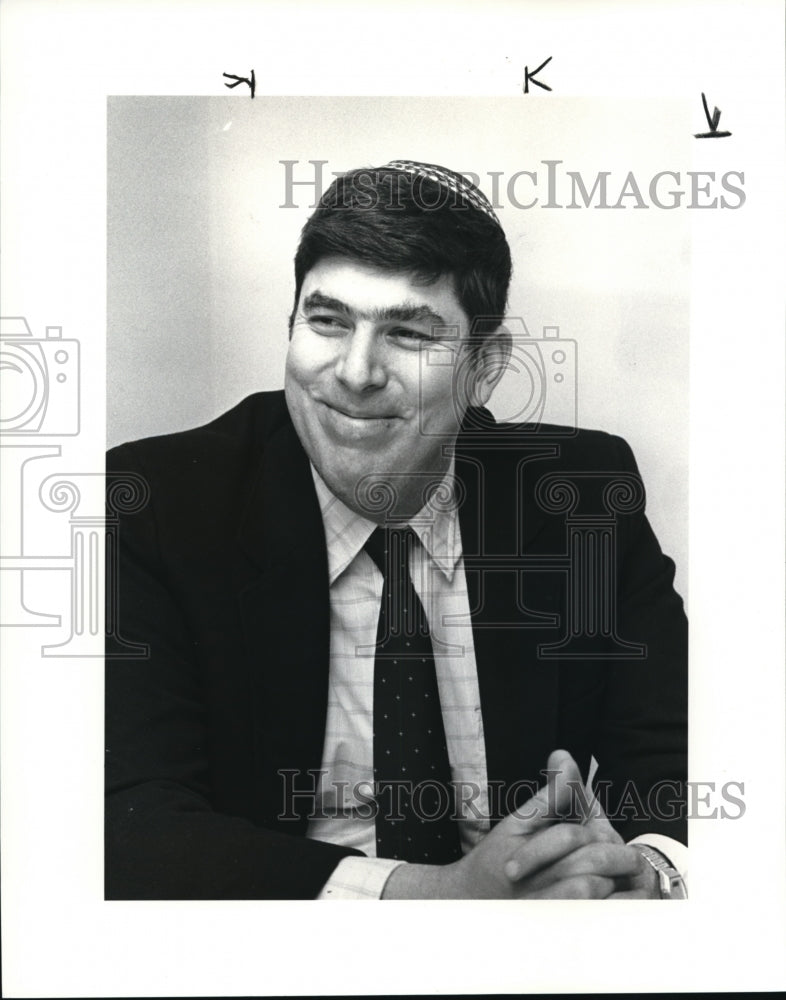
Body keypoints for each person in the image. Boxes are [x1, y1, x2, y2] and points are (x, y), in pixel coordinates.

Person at [105, 160, 687, 900]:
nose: (354, 371)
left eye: (408, 333)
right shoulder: (154, 505)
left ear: (484, 368)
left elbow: (679, 753)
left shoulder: (577, 496)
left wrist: (647, 872)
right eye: (328, 320)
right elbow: (128, 819)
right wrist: (438, 896)